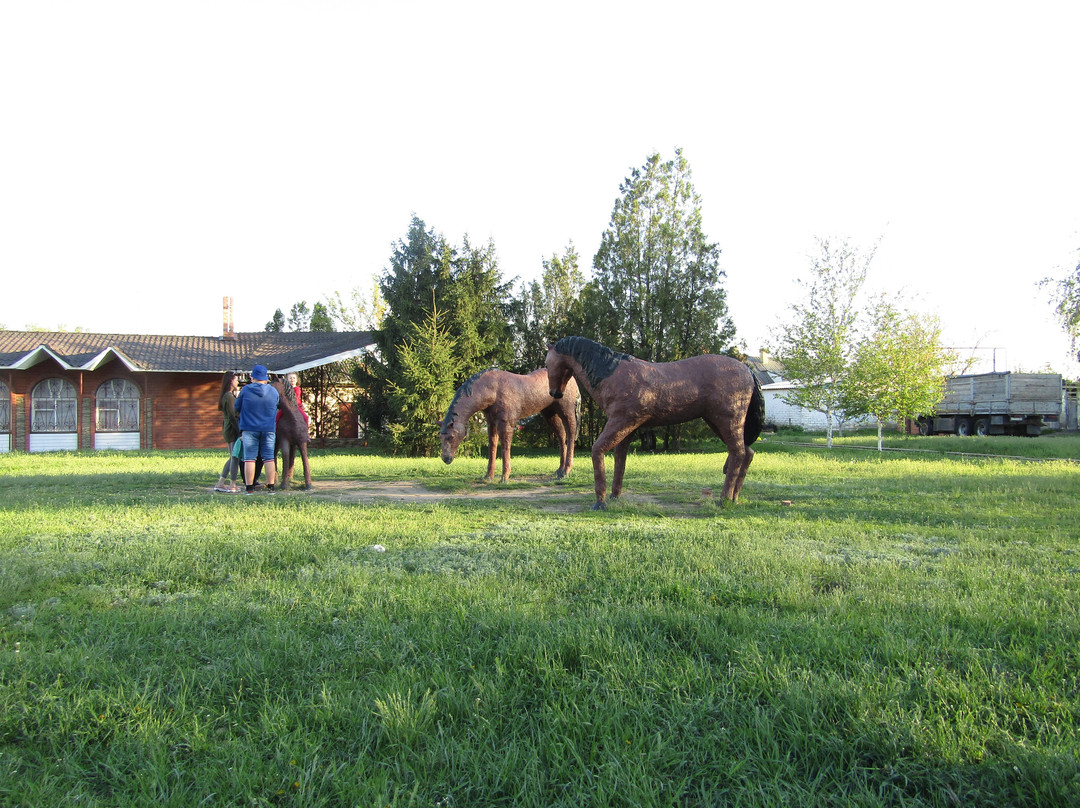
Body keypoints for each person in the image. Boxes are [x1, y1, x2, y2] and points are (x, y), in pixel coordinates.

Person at [234, 364, 280, 494]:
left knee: (250, 458)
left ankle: (249, 489)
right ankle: (271, 488)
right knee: (269, 458)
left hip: (249, 428)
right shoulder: (273, 391)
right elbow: (276, 406)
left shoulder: (246, 390)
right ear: (265, 378)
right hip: (268, 429)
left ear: (253, 377)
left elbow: (236, 407)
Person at [214, 371, 242, 492]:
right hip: (231, 430)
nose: (237, 382)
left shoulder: (228, 396)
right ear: (230, 381)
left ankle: (220, 483)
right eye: (236, 380)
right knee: (234, 457)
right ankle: (232, 485)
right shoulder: (229, 397)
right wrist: (240, 432)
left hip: (229, 429)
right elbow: (232, 417)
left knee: (232, 457)